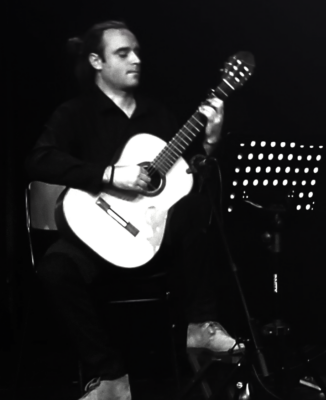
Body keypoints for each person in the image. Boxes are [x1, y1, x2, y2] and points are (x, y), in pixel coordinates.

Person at [26, 20, 241, 400]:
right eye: (123, 53)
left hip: (152, 242)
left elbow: (188, 182)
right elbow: (39, 159)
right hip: (94, 241)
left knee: (197, 208)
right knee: (55, 269)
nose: (136, 59)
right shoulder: (75, 113)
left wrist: (210, 144)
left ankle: (200, 325)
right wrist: (110, 175)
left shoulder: (159, 115)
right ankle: (110, 376)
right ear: (96, 61)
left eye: (137, 52)